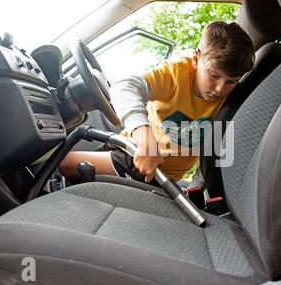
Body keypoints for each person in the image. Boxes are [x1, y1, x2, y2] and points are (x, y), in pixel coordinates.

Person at [60, 21, 255, 184]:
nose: (220, 88)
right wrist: (144, 135)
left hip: (157, 172)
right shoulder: (177, 73)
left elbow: (217, 150)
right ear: (196, 59)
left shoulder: (230, 100)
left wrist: (198, 186)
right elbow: (125, 86)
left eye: (231, 81)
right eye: (214, 75)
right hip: (132, 147)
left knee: (63, 164)